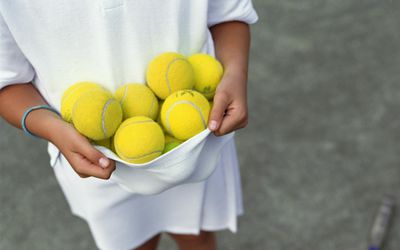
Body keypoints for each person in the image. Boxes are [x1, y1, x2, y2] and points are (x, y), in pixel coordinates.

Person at [0, 1, 258, 249]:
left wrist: (235, 72)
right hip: (92, 155)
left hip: (197, 141)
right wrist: (51, 127)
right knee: (133, 245)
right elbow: (7, 80)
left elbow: (227, 13)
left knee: (197, 236)